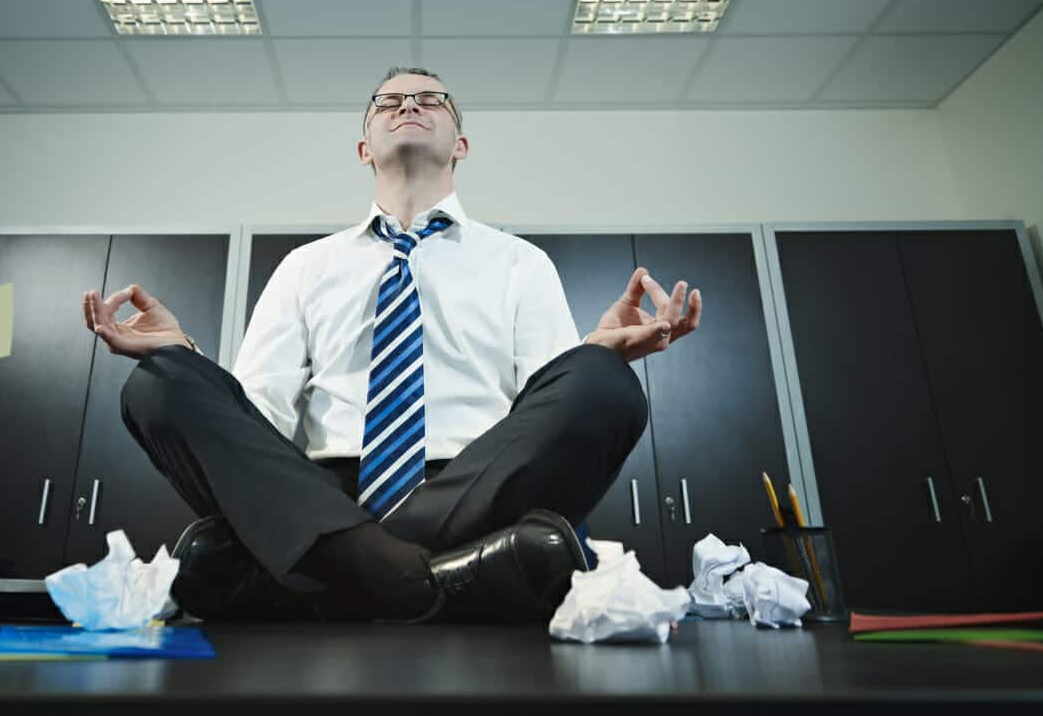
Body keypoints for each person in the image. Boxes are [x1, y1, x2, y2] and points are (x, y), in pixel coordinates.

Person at [82, 67, 702, 624]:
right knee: (159, 381)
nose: (409, 104)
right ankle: (433, 579)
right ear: (363, 148)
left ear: (460, 145)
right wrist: (186, 358)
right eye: (388, 101)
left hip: (476, 490)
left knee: (604, 383)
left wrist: (593, 354)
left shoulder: (521, 263)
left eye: (431, 98)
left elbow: (545, 413)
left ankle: (331, 577)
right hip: (319, 494)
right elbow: (257, 419)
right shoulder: (305, 266)